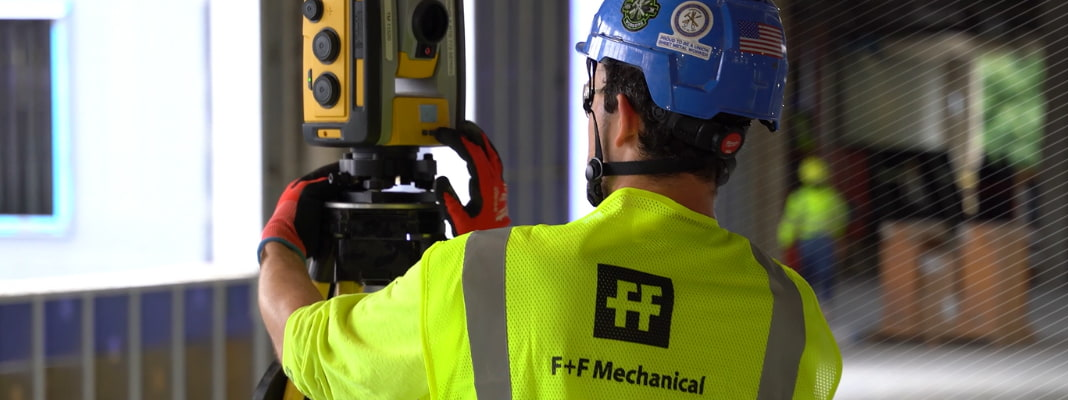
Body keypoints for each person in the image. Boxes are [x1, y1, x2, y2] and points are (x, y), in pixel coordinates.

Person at [257, 0, 841, 398]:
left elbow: (303, 344)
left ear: (625, 115)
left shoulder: (484, 279)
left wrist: (280, 241)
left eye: (596, 95)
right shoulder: (795, 321)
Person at [777, 156, 850, 306]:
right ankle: (822, 303)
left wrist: (785, 240)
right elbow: (841, 217)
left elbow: (790, 220)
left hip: (812, 241)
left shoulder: (800, 197)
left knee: (814, 273)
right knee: (822, 272)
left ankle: (813, 302)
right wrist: (838, 235)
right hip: (820, 240)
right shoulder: (831, 196)